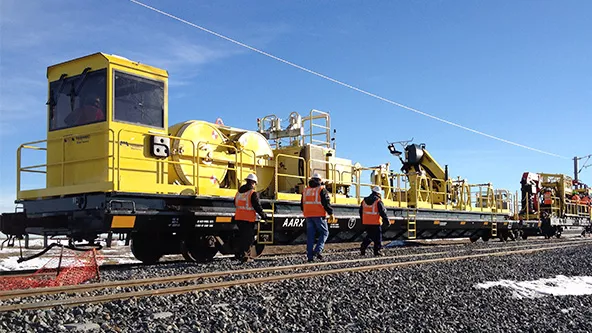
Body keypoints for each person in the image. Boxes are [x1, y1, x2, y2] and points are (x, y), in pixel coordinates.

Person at [234, 173, 267, 263]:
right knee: (248, 239)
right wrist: (263, 215)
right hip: (248, 219)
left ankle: (239, 254)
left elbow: (235, 203)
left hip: (239, 218)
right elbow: (257, 205)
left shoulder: (239, 192)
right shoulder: (252, 193)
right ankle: (245, 257)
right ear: (253, 183)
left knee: (242, 237)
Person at [301, 173, 334, 262]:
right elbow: (326, 203)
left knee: (310, 236)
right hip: (319, 215)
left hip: (308, 215)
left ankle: (310, 257)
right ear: (320, 180)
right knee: (325, 233)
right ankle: (318, 250)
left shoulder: (305, 190)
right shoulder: (321, 190)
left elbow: (302, 204)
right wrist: (331, 213)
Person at [360, 186, 390, 256]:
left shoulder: (364, 201)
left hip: (366, 222)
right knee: (377, 237)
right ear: (378, 193)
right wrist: (387, 220)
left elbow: (360, 212)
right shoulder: (378, 201)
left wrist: (363, 220)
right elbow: (382, 212)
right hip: (376, 222)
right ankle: (377, 251)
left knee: (370, 235)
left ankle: (363, 247)